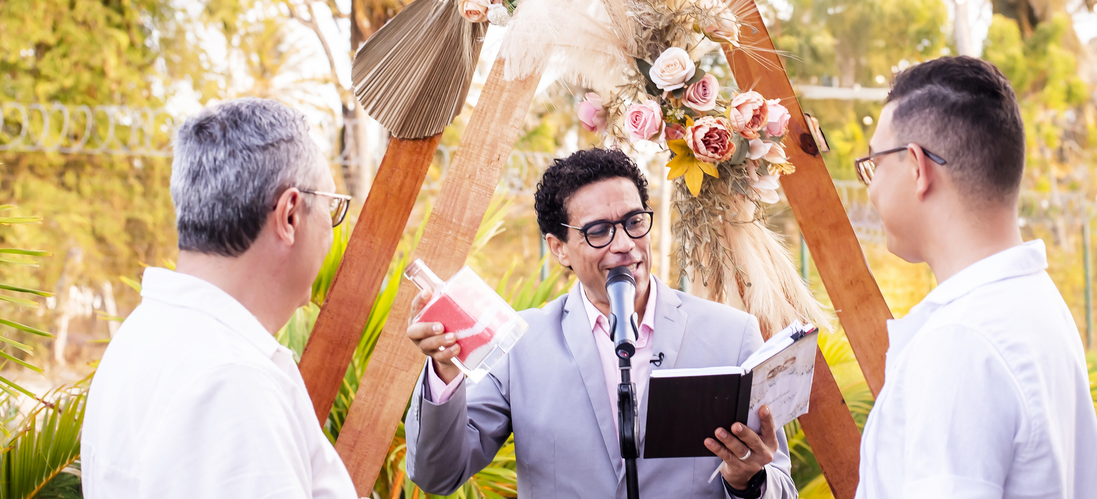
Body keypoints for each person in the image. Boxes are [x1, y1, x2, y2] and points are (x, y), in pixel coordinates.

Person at [404, 148, 797, 499]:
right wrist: (442, 367)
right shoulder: (521, 344)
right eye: (599, 231)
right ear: (559, 248)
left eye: (634, 221)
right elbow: (438, 474)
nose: (624, 243)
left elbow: (781, 486)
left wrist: (749, 481)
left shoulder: (732, 334)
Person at [82, 98, 360, 499]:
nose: (332, 232)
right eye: (333, 209)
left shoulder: (143, 334)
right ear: (289, 215)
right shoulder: (233, 383)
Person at [853, 56, 1097, 498]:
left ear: (917, 168)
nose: (871, 188)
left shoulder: (961, 342)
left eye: (875, 163)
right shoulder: (1036, 304)